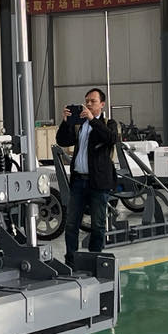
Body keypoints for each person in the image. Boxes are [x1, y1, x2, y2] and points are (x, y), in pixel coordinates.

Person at [55, 88, 120, 263]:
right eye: (87, 101)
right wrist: (66, 122)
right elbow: (62, 140)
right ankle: (71, 260)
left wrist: (92, 120)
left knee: (98, 225)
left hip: (98, 183)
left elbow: (111, 138)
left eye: (93, 101)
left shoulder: (108, 123)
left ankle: (94, 259)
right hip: (78, 181)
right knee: (71, 224)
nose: (88, 104)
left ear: (102, 104)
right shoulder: (80, 125)